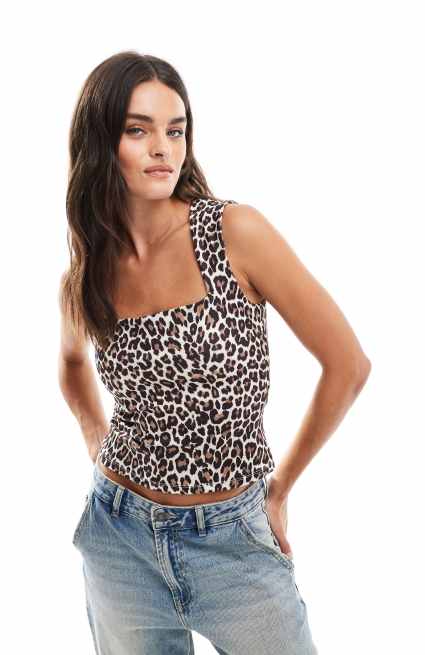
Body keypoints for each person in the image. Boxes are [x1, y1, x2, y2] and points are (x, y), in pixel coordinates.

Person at [58, 51, 371, 655]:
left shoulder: (232, 234)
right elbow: (71, 365)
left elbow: (348, 364)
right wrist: (97, 439)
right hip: (119, 538)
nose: (163, 149)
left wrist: (279, 489)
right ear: (100, 143)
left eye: (175, 130)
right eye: (138, 130)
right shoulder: (91, 267)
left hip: (232, 542)